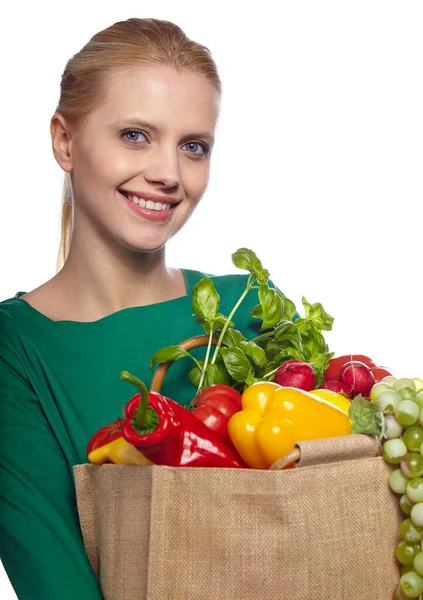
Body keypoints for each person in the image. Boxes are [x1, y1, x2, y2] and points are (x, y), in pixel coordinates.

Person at [0, 17, 296, 600]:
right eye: (135, 134)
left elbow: (332, 501)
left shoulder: (249, 310)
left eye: (193, 146)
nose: (166, 173)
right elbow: (57, 583)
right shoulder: (15, 352)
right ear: (65, 141)